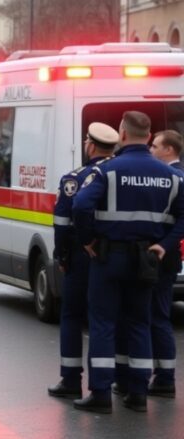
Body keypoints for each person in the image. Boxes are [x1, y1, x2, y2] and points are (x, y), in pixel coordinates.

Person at [72, 111, 184, 414]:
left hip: (109, 257)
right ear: (148, 137)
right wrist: (165, 244)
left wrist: (87, 239)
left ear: (122, 134)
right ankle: (137, 393)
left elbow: (81, 204)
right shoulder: (172, 176)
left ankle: (100, 393)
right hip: (147, 259)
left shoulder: (108, 170)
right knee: (139, 323)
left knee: (103, 323)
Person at [46, 122, 118, 400]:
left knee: (72, 315)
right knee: (110, 318)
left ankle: (71, 379)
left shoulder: (75, 178)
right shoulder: (119, 174)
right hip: (112, 253)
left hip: (79, 255)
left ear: (90, 145)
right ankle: (119, 380)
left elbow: (62, 222)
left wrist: (62, 254)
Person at [143, 129, 183, 397]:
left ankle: (165, 378)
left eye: (155, 146)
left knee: (157, 316)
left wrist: (163, 246)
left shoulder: (175, 177)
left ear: (169, 150)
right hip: (165, 258)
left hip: (163, 258)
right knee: (156, 315)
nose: (151, 150)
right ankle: (161, 375)